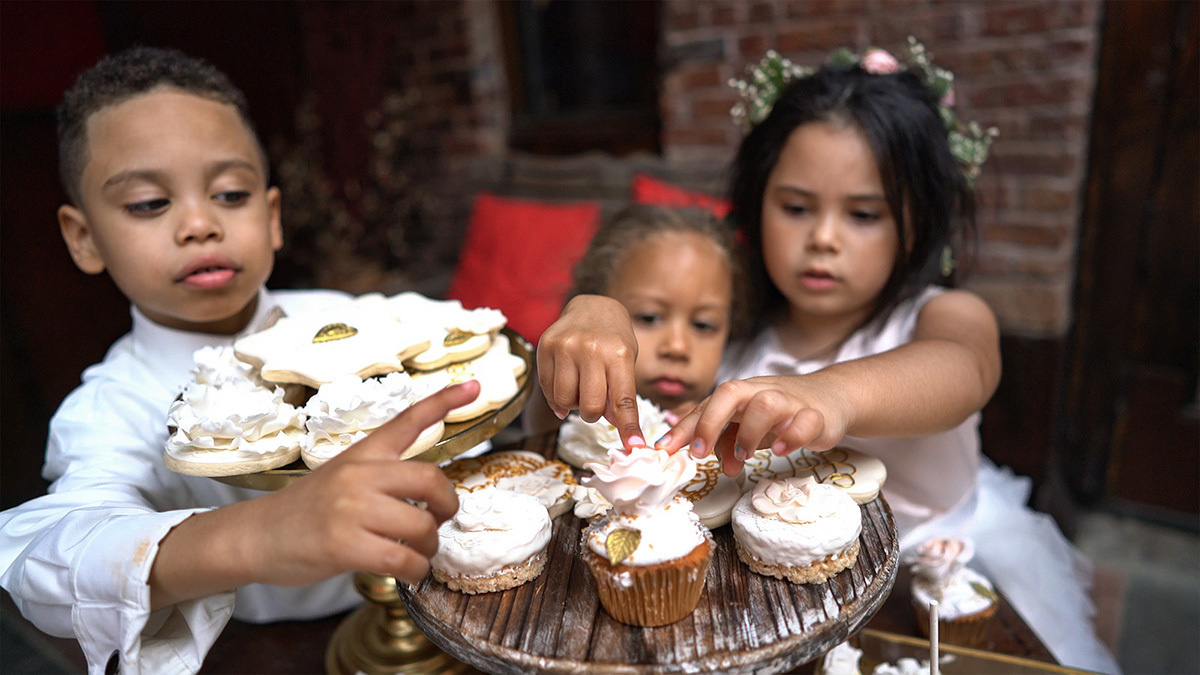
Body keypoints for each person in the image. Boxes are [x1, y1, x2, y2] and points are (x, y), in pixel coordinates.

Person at [538, 46, 1119, 674]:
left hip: (928, 578)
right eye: (795, 207)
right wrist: (598, 306)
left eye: (863, 214)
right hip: (779, 590)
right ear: (755, 207)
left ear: (917, 227)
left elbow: (962, 371)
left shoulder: (940, 317)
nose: (823, 238)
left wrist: (829, 395)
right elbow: (658, 365)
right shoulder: (736, 321)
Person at [0, 46, 476, 674]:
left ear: (272, 217)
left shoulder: (352, 319)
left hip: (441, 616)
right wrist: (258, 534)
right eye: (149, 203)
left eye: (229, 194)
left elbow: (478, 349)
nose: (199, 223)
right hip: (269, 650)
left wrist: (589, 315)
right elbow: (43, 555)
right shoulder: (112, 404)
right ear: (84, 237)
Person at [525, 203, 744, 437]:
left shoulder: (733, 417)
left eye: (703, 325)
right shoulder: (576, 420)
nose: (677, 347)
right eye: (649, 318)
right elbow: (543, 424)